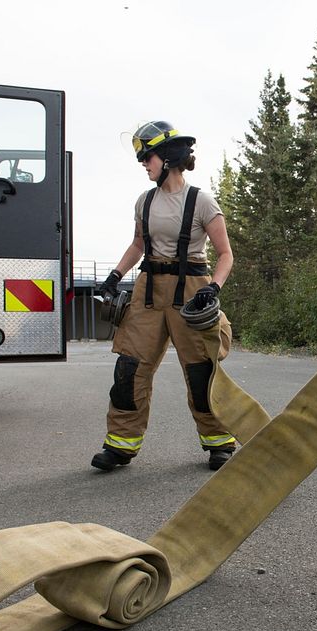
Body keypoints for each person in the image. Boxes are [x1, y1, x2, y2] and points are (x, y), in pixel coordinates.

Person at [91, 120, 237, 472]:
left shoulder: (201, 201)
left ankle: (219, 442)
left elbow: (226, 255)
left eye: (148, 157)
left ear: (167, 158)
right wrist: (114, 276)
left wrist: (212, 290)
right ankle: (120, 446)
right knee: (129, 369)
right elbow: (139, 244)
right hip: (148, 291)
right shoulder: (145, 201)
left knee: (202, 370)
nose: (144, 163)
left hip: (192, 290)